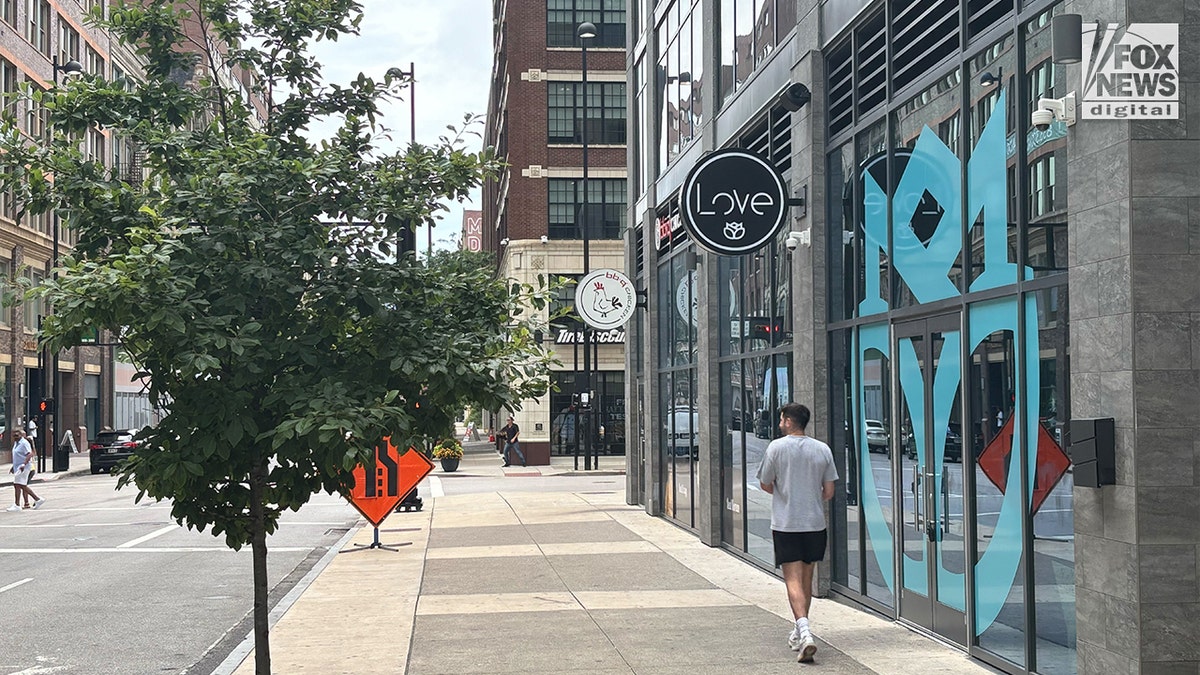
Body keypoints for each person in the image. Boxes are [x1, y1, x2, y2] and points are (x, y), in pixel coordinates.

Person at [756, 402, 837, 663]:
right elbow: (829, 492)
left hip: (786, 523)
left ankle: (805, 632)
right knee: (806, 578)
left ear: (789, 421)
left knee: (791, 579)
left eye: (781, 419)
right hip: (815, 523)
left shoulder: (776, 448)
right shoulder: (822, 449)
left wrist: (783, 491)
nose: (780, 424)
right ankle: (799, 631)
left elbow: (765, 483)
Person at [8, 427, 44, 512]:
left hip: (23, 467)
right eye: (14, 435)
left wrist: (24, 464)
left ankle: (37, 499)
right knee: (18, 485)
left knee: (20, 485)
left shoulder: (24, 443)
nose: (15, 436)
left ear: (21, 435)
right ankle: (18, 504)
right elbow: (17, 456)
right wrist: (13, 467)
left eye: (17, 435)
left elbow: (30, 454)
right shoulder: (16, 443)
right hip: (18, 467)